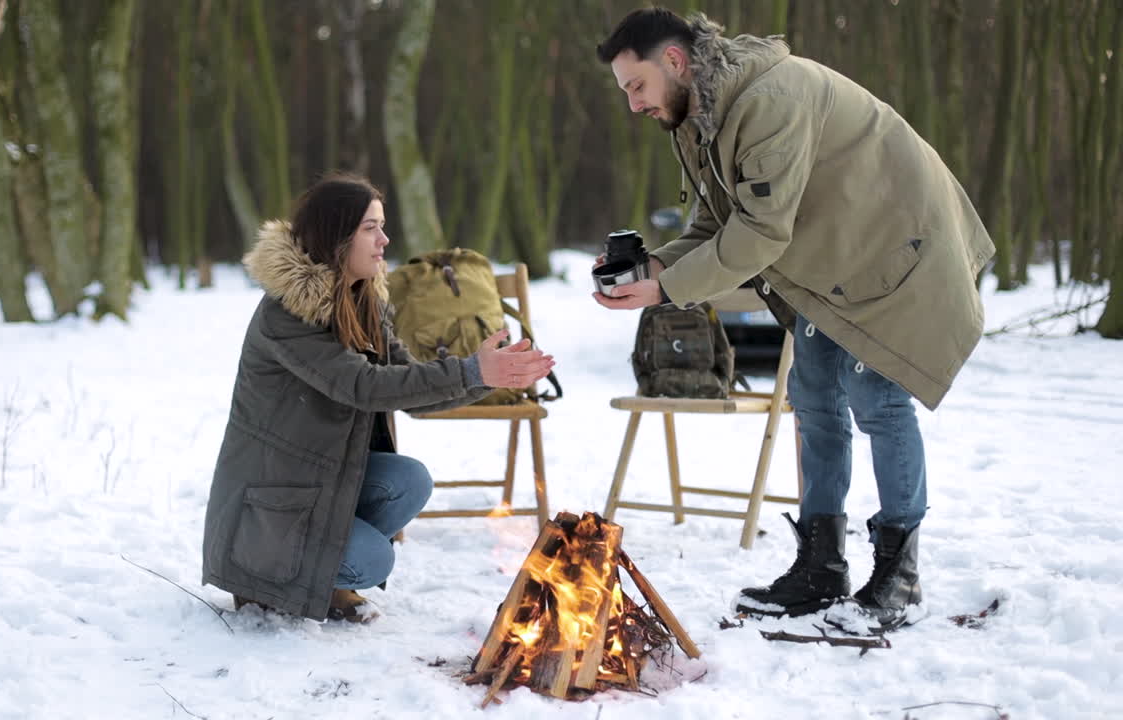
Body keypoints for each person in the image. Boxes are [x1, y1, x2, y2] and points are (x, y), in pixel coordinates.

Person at [593, 8, 994, 631]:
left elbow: (758, 233)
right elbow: (714, 224)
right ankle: (822, 565)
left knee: (876, 402)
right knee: (813, 403)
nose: (634, 105)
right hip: (825, 265)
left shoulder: (770, 100)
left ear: (674, 62)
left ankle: (899, 576)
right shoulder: (700, 117)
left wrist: (666, 289)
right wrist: (649, 270)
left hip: (896, 251)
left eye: (636, 86)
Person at [202, 173, 555, 623]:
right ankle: (265, 582)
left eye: (381, 226)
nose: (385, 240)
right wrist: (470, 370)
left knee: (409, 480)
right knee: (373, 561)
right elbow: (365, 386)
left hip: (323, 477)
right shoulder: (287, 313)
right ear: (336, 235)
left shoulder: (363, 299)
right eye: (371, 228)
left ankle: (323, 574)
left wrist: (487, 376)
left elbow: (408, 386)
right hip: (272, 503)